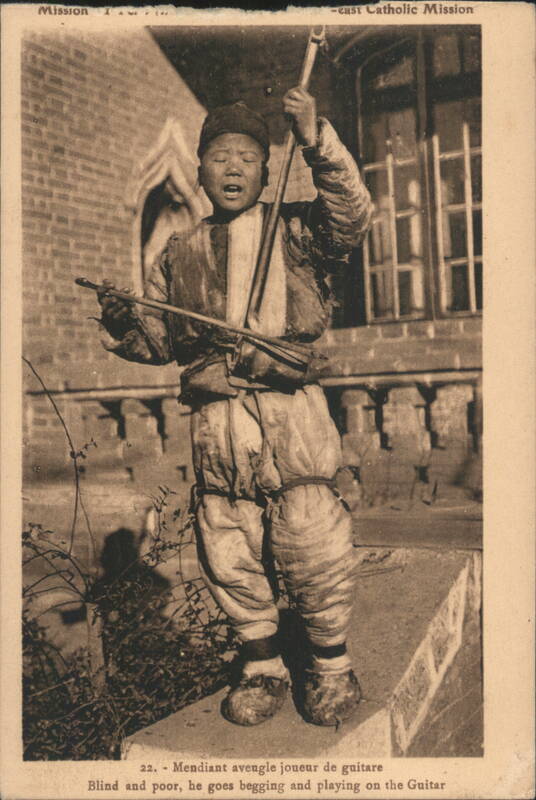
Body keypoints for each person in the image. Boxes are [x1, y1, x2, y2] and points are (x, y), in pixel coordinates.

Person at [97, 86, 373, 727]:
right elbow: (157, 342)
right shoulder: (178, 251)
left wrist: (315, 139)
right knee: (228, 541)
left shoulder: (301, 228)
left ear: (266, 170)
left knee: (311, 533)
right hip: (218, 422)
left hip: (290, 411)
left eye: (247, 158)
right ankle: (262, 664)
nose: (232, 169)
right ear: (198, 171)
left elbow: (353, 215)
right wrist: (122, 319)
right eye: (218, 157)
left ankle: (331, 663)